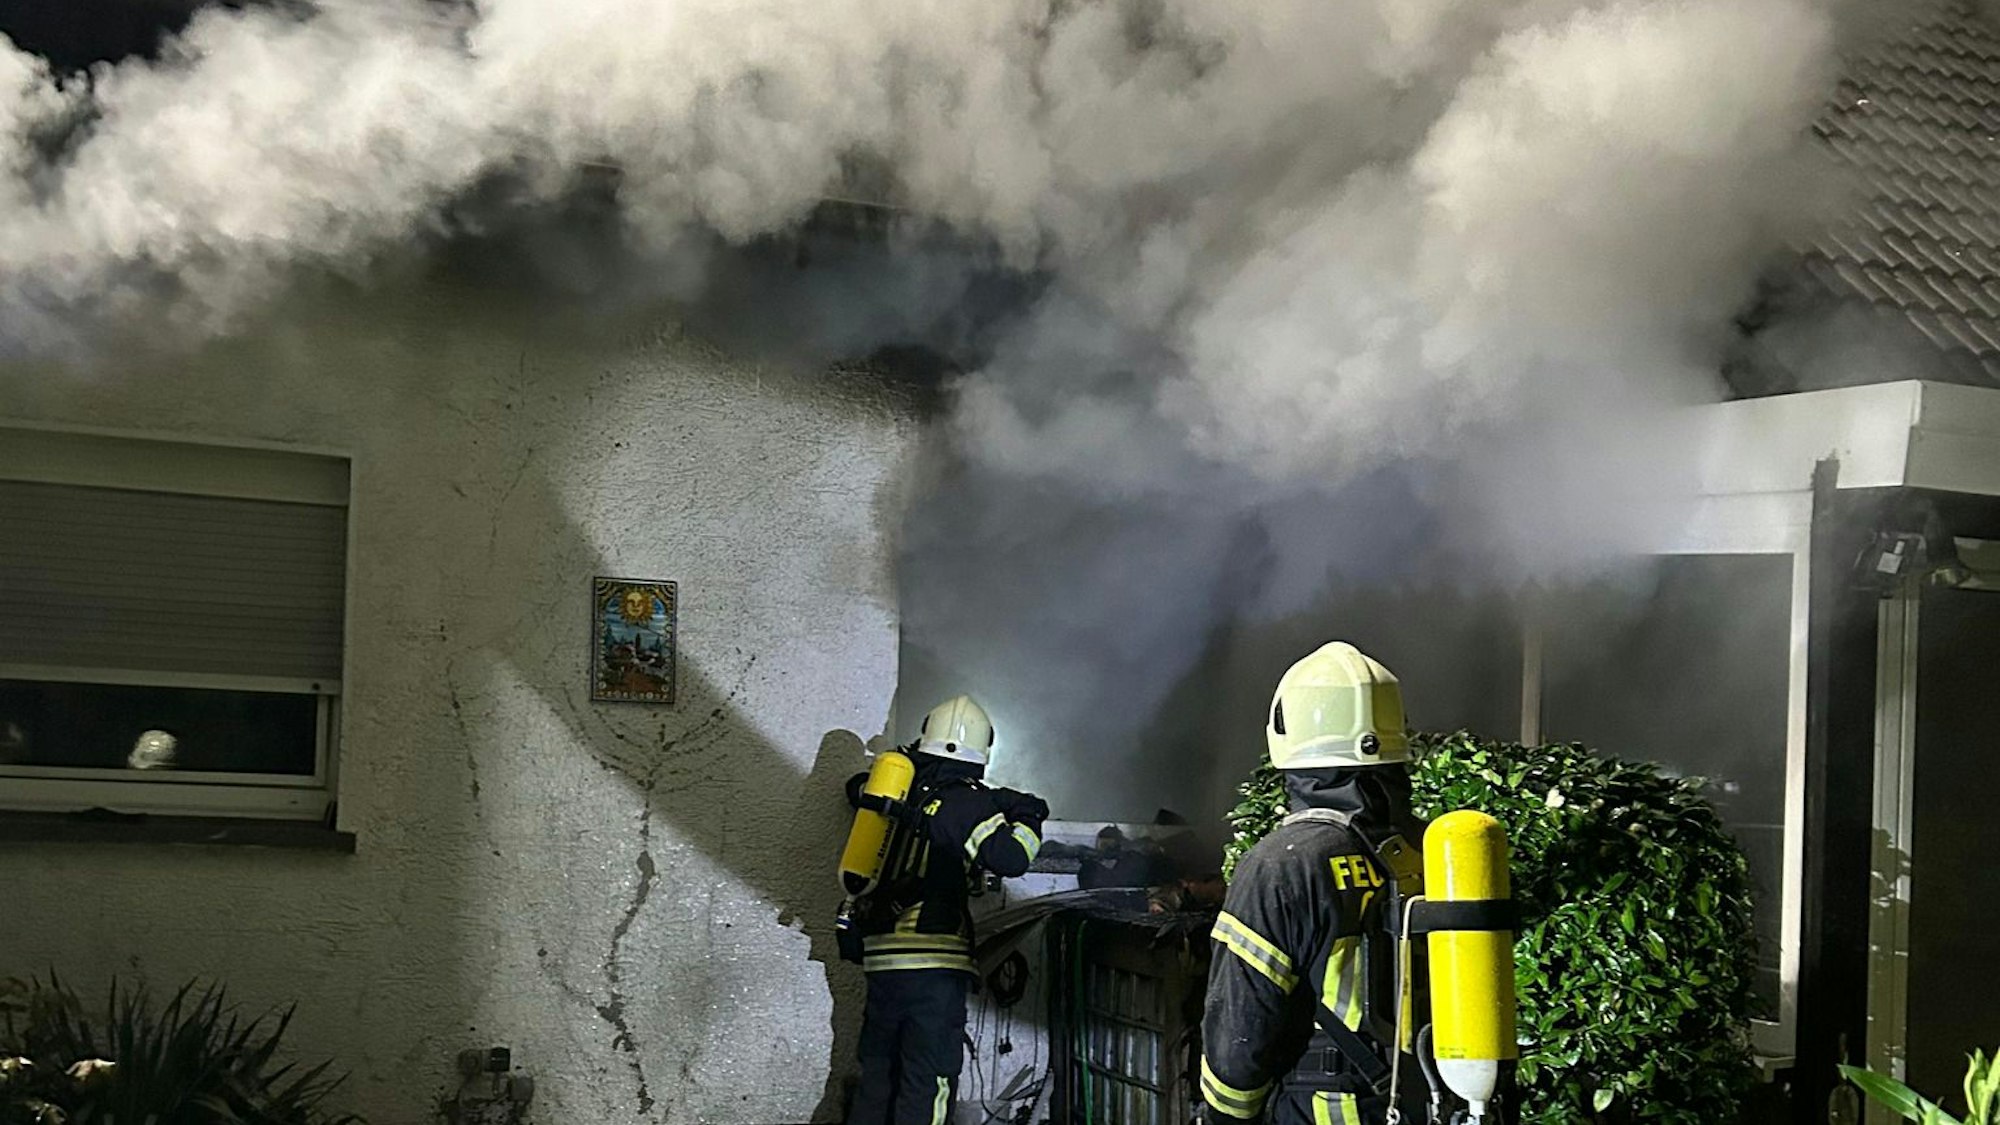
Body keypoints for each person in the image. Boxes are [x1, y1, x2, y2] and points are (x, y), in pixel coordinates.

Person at [1200, 642, 1431, 1125]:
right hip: (1428, 1100)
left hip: (1328, 1109)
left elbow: (1238, 1043)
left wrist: (1225, 1117)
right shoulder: (1436, 849)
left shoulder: (1284, 864)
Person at [844, 695, 1049, 1125]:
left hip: (880, 957)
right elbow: (1011, 859)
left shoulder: (897, 788)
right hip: (932, 964)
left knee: (879, 1075)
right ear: (982, 749)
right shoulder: (964, 804)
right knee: (928, 1078)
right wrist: (1029, 816)